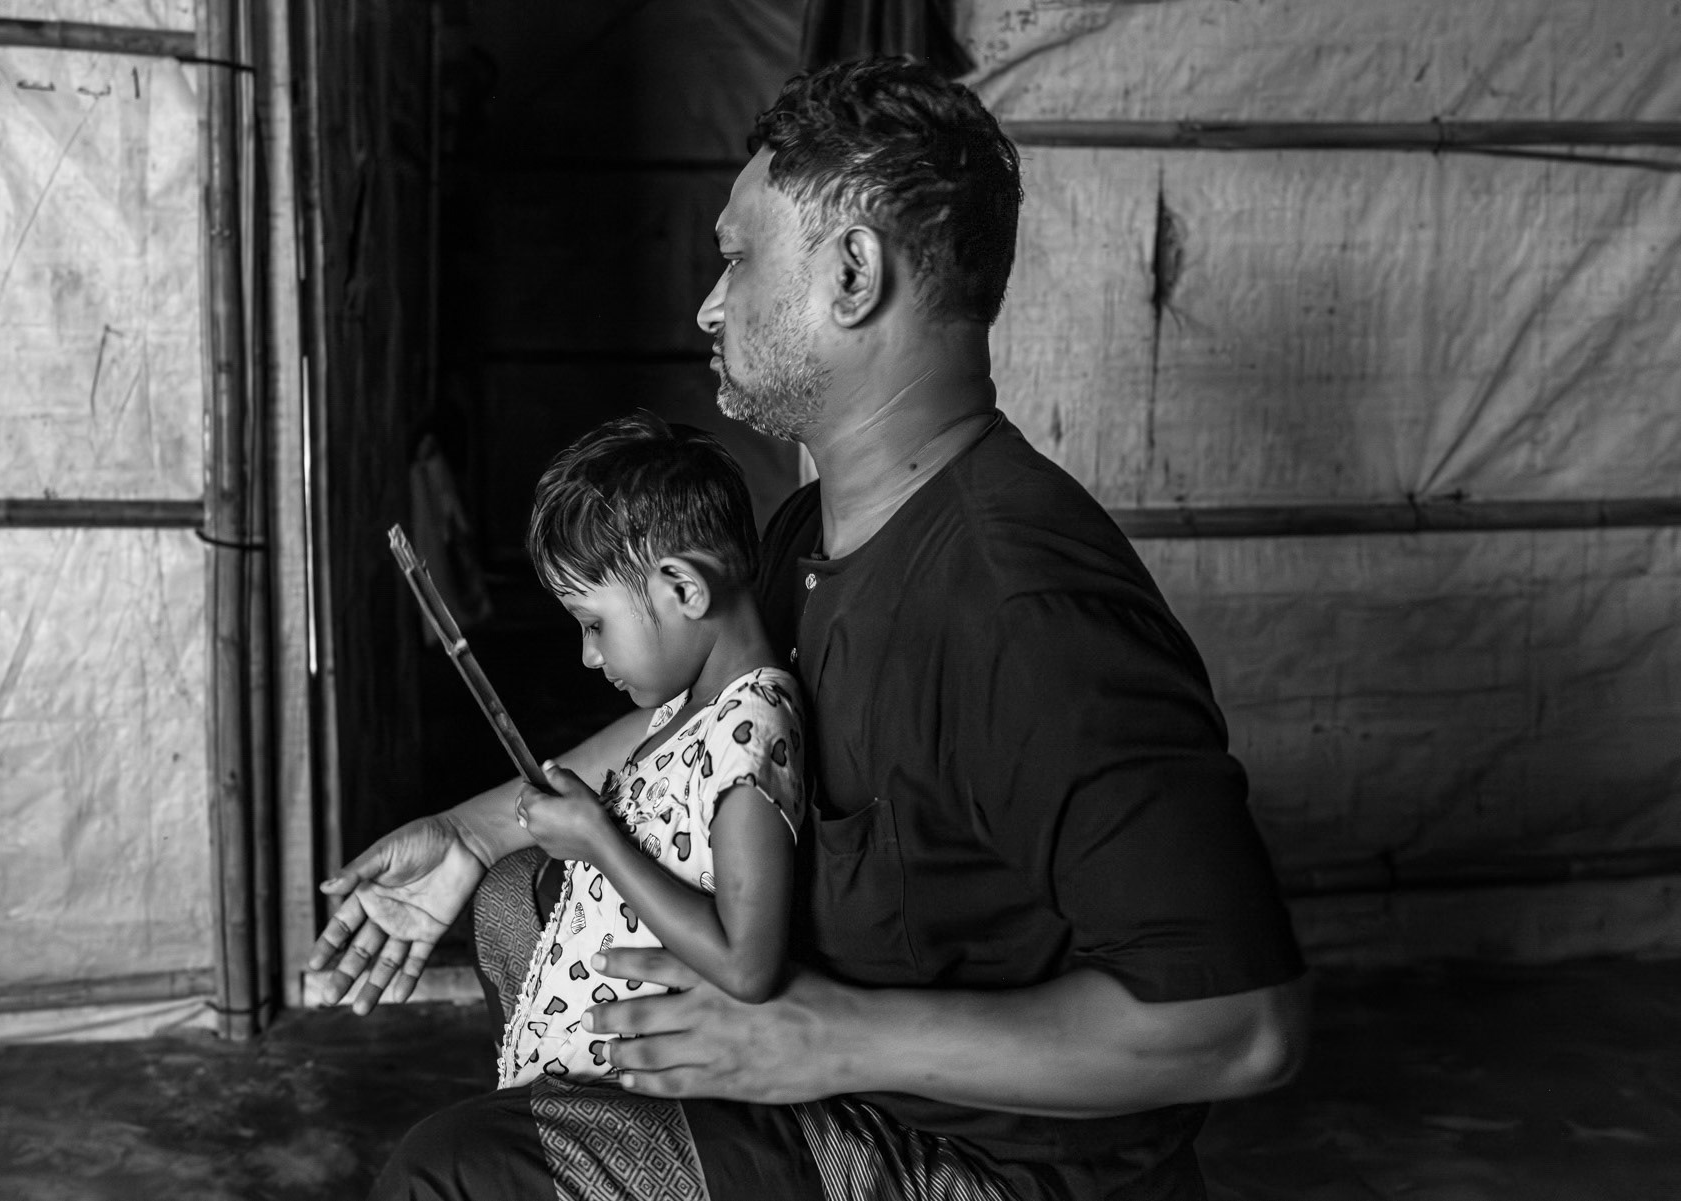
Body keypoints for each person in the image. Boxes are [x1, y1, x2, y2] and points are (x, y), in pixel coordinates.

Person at [310, 56, 1309, 1200]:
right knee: (514, 909)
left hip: (970, 1154)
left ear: (851, 272)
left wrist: (829, 1039)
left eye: (737, 257)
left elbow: (1241, 1025)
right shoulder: (806, 535)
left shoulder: (1029, 613)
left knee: (453, 1175)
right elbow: (698, 730)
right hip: (829, 1055)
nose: (707, 300)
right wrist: (478, 830)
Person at [496, 414, 806, 1087]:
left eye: (594, 624)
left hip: (638, 1104)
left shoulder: (751, 730)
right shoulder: (685, 709)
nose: (588, 654)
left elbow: (748, 966)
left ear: (685, 590)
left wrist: (599, 841)